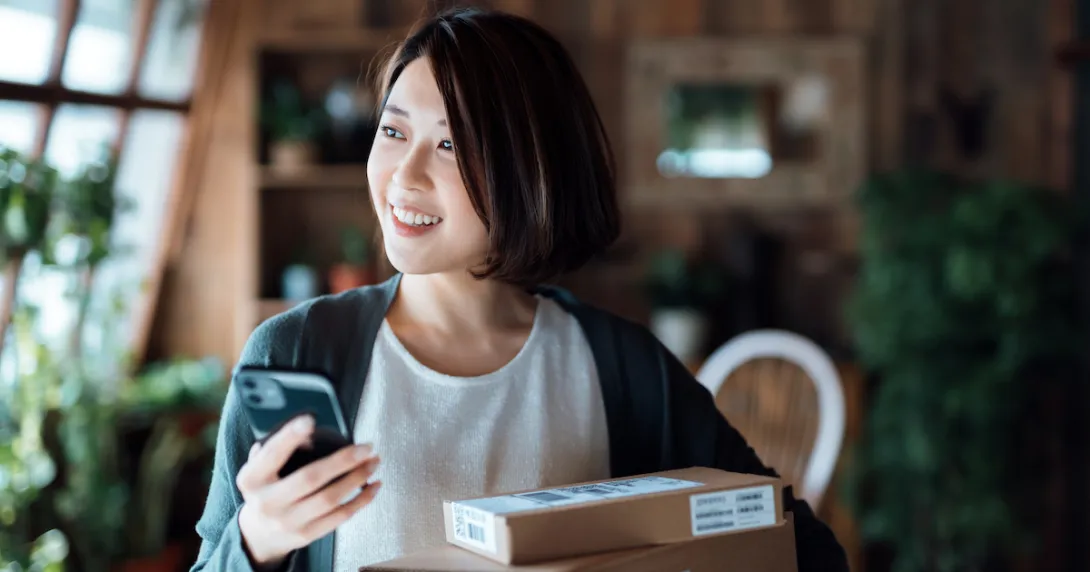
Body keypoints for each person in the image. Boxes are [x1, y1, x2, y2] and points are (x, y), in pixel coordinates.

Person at [191, 7, 848, 572]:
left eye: (451, 146)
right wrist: (257, 539)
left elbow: (806, 551)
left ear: (533, 173)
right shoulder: (297, 351)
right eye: (393, 131)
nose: (404, 175)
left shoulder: (624, 368)